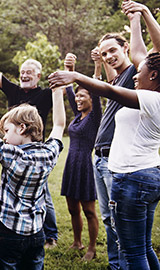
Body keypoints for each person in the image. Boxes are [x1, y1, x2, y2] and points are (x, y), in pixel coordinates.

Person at [48, 50, 160, 270]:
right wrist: (139, 16)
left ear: (154, 75)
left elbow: (110, 90)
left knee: (133, 252)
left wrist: (77, 76)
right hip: (145, 175)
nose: (136, 76)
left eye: (141, 71)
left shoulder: (152, 98)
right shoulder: (149, 100)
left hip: (131, 179)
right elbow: (134, 55)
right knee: (144, 247)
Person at [0, 76, 65, 269]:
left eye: (6, 131)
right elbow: (58, 125)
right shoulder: (49, 153)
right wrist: (57, 92)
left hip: (9, 233)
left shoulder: (12, 155)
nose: (4, 138)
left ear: (22, 128)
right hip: (36, 233)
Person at [0, 56, 59, 248]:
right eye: (22, 72)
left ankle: (50, 235)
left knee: (43, 194)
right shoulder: (14, 90)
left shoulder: (45, 95)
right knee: (12, 189)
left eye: (29, 72)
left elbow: (62, 100)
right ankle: (13, 225)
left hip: (35, 153)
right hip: (12, 152)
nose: (24, 75)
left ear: (38, 76)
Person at [90, 30, 137, 270]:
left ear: (126, 47)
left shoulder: (133, 74)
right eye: (105, 52)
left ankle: (125, 265)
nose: (109, 56)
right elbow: (109, 80)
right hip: (98, 158)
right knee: (108, 219)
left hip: (113, 159)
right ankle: (115, 264)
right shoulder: (118, 80)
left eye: (113, 51)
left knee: (119, 220)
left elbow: (140, 54)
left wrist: (137, 17)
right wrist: (100, 62)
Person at [61, 53, 101, 261]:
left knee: (89, 210)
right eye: (77, 96)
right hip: (71, 164)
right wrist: (69, 68)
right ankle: (77, 242)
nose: (77, 98)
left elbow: (95, 90)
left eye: (82, 96)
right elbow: (68, 90)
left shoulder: (95, 116)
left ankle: (92, 248)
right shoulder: (78, 116)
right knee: (72, 207)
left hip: (85, 164)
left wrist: (97, 66)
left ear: (91, 99)